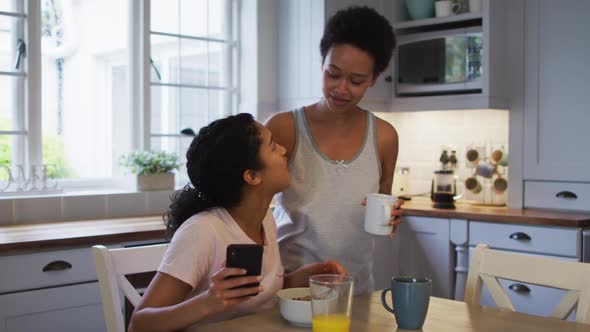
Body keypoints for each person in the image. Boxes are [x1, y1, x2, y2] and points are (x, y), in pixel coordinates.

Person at [129, 114, 346, 332]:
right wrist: (208, 302)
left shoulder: (264, 219)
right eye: (272, 146)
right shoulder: (202, 231)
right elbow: (139, 325)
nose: (283, 150)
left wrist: (300, 278)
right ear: (252, 176)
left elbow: (254, 296)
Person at [266, 6, 404, 295]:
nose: (341, 89)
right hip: (291, 290)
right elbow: (251, 208)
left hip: (357, 291)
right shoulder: (284, 128)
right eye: (333, 74)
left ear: (374, 79)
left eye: (356, 81)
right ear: (322, 64)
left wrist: (391, 219)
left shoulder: (384, 137)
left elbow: (382, 205)